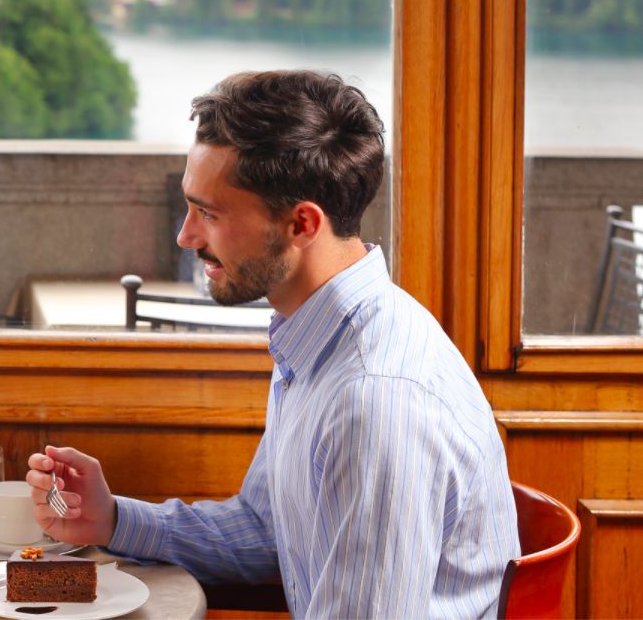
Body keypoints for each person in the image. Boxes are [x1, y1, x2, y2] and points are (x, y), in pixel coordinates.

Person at [27, 70, 519, 618]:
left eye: (208, 213)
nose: (185, 236)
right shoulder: (316, 338)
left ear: (302, 224)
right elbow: (267, 531)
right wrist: (113, 519)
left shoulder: (376, 400)